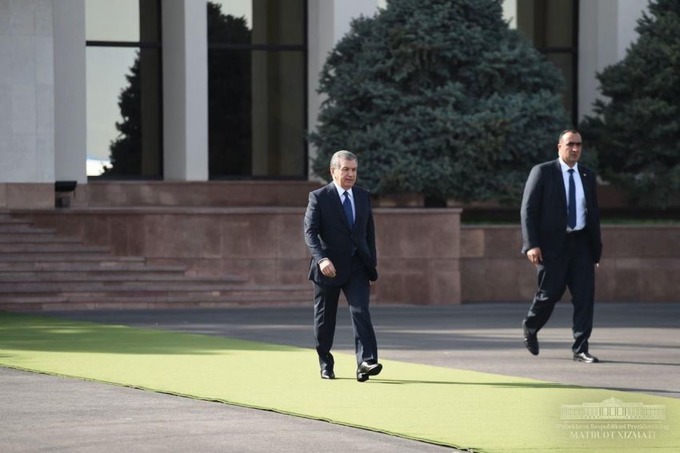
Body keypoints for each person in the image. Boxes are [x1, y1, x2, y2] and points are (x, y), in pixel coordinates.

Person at [520, 129, 603, 363]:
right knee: (549, 294)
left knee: (585, 298)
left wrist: (596, 249)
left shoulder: (587, 175)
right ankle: (531, 325)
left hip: (582, 245)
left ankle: (581, 348)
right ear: (559, 147)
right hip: (552, 246)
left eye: (578, 145)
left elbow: (593, 213)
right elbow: (528, 210)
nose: (575, 149)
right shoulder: (543, 172)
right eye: (570, 145)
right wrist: (531, 244)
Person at [303, 150, 382, 382]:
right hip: (328, 266)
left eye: (354, 170)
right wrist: (321, 259)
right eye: (345, 169)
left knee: (361, 311)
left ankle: (365, 362)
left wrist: (371, 268)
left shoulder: (363, 196)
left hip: (357, 266)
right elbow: (310, 233)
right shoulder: (319, 197)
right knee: (325, 319)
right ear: (333, 171)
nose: (350, 174)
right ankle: (325, 362)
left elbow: (369, 235)